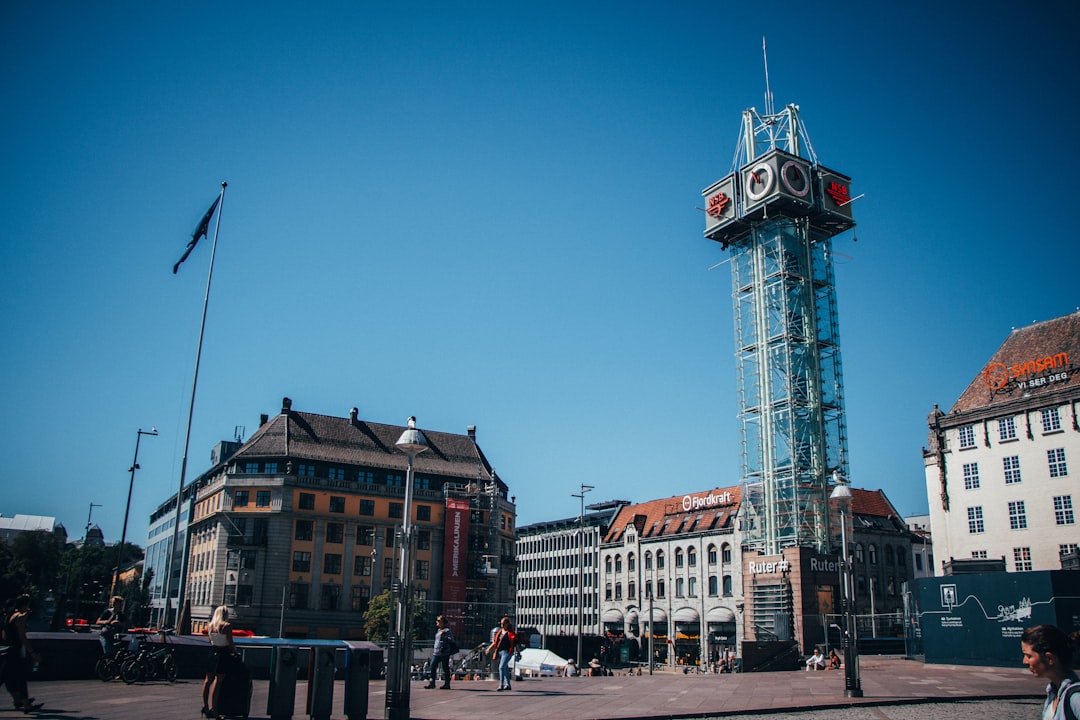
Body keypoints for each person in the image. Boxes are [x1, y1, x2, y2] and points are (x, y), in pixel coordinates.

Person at [1021, 624, 1080, 720]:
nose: (1025, 661)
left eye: (1029, 656)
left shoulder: (1076, 698)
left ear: (1050, 658)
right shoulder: (1053, 692)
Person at [1, 594, 43, 713]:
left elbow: (4, 635)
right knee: (20, 678)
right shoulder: (19, 617)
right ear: (25, 605)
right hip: (15, 651)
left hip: (7, 650)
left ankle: (19, 701)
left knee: (7, 677)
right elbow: (22, 637)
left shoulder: (9, 615)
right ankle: (26, 705)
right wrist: (33, 653)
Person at [201, 605, 235, 719]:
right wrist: (234, 651)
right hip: (223, 653)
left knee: (207, 680)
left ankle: (205, 706)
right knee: (218, 681)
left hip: (212, 652)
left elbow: (210, 640)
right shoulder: (226, 626)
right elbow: (230, 643)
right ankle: (214, 709)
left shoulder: (210, 625)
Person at [423, 615, 455, 690]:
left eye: (439, 621)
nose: (437, 622)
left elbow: (452, 640)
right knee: (432, 666)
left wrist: (444, 636)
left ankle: (447, 683)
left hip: (444, 652)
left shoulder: (447, 631)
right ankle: (432, 682)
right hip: (436, 652)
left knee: (445, 668)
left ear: (443, 623)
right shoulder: (438, 630)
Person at [488, 616, 518, 691]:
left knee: (501, 667)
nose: (502, 625)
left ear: (507, 624)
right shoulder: (500, 632)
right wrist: (489, 648)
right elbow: (495, 642)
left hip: (507, 652)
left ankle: (501, 685)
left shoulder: (511, 633)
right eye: (501, 624)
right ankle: (508, 685)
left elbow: (516, 643)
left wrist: (518, 652)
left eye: (503, 624)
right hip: (500, 652)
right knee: (505, 668)